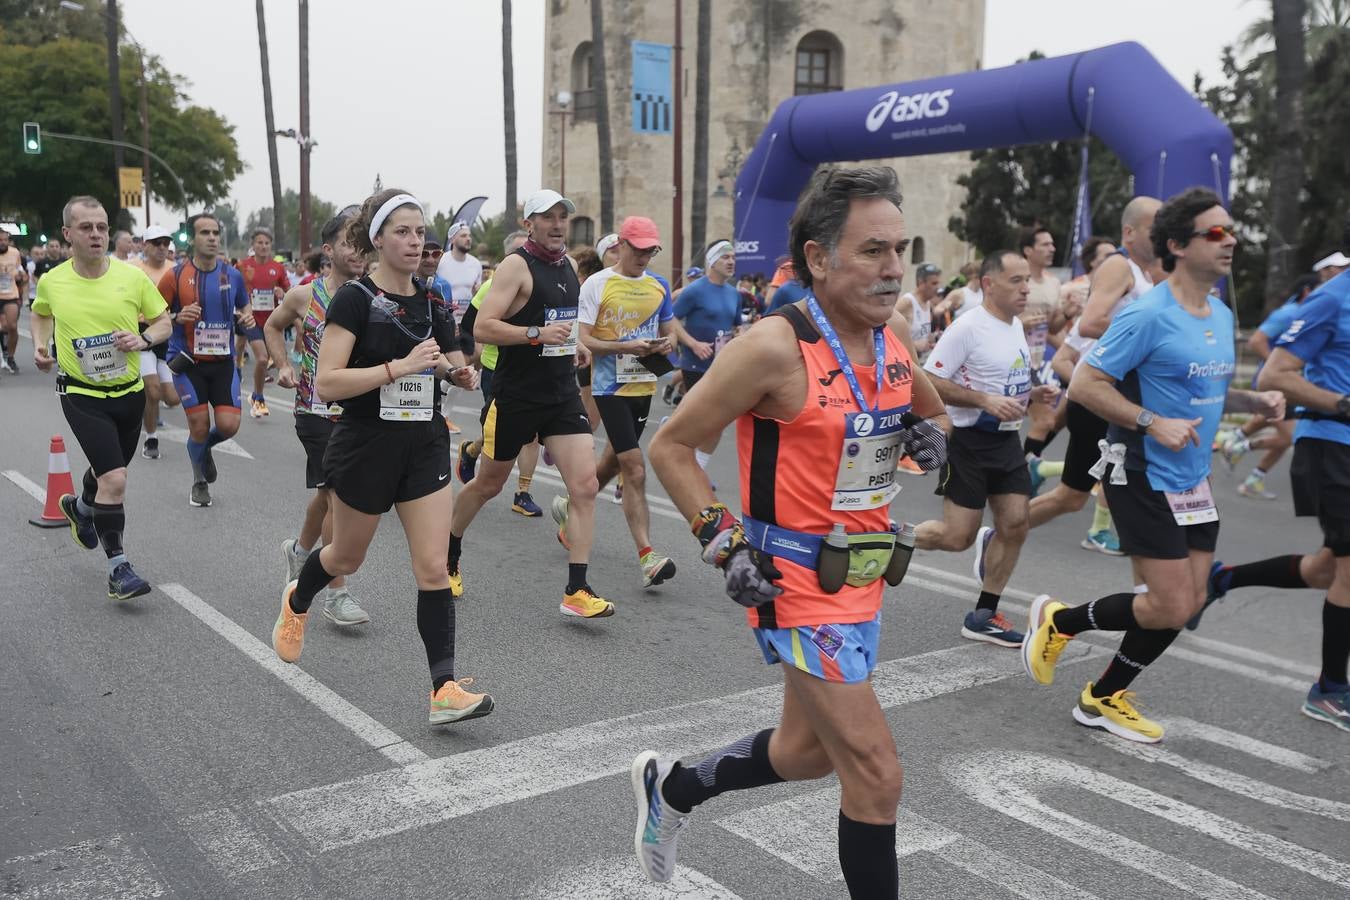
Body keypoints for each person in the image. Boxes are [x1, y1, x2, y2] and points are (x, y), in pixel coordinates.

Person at [635, 166, 949, 897]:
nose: (893, 268)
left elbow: (926, 412)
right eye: (872, 251)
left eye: (899, 249)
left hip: (863, 579)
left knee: (805, 754)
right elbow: (671, 447)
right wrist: (725, 541)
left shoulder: (891, 335)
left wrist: (931, 435)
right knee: (876, 773)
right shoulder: (775, 347)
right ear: (817, 257)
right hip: (794, 585)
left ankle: (674, 790)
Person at [1021, 187, 1284, 743]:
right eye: (1215, 232)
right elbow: (1088, 383)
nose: (1230, 239)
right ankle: (1060, 623)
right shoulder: (1146, 313)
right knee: (1168, 601)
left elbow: (1204, 392)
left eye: (1230, 230)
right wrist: (1149, 422)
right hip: (1140, 472)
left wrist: (1252, 403)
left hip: (1193, 480)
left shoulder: (1219, 310)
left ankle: (1101, 697)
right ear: (1177, 245)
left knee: (1183, 606)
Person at [269, 188, 491, 725]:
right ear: (378, 239)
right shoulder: (354, 299)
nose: (416, 242)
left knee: (434, 567)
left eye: (420, 232)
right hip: (366, 443)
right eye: (403, 232)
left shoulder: (434, 299)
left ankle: (443, 689)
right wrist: (400, 366)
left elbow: (447, 358)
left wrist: (457, 372)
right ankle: (298, 599)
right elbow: (327, 382)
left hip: (424, 442)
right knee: (345, 558)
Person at [1197, 244, 1350, 730]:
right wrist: (1341, 403)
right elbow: (1274, 372)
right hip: (1332, 447)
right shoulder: (1331, 298)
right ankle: (1329, 689)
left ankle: (1220, 579)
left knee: (1328, 569)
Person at [446, 189, 614, 619]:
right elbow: (483, 327)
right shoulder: (515, 266)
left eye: (563, 217)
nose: (558, 224)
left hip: (559, 394)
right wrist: (535, 334)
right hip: (516, 395)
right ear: (530, 224)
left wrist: (575, 344)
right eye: (548, 217)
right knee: (488, 484)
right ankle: (447, 553)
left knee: (586, 486)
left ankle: (576, 590)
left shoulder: (572, 267)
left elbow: (565, 321)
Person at [915, 250, 1059, 647]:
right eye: (1017, 281)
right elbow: (928, 380)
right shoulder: (968, 327)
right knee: (957, 537)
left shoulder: (1014, 325)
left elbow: (1005, 378)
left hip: (1006, 441)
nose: (1027, 288)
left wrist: (1033, 391)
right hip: (968, 443)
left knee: (1015, 524)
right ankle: (894, 538)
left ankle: (983, 614)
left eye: (1027, 280)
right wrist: (982, 400)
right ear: (989, 284)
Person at [31, 196, 171, 600]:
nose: (96, 235)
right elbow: (41, 312)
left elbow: (163, 322)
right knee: (116, 478)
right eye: (86, 227)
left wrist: (143, 338)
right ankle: (118, 568)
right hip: (81, 393)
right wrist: (41, 345)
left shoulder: (132, 278)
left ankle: (81, 507)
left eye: (102, 227)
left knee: (107, 473)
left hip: (129, 394)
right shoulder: (53, 281)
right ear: (67, 234)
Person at [1026, 201, 1161, 555]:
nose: (1162, 235)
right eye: (1154, 228)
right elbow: (1090, 322)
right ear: (1129, 232)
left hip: (1120, 395)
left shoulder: (1146, 273)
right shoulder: (1119, 265)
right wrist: (1157, 341)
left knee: (1073, 496)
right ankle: (1005, 532)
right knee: (1085, 491)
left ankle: (1005, 529)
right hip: (1102, 395)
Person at [265, 210, 371, 628]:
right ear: (328, 251)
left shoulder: (372, 294)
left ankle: (299, 550)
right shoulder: (303, 296)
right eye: (350, 242)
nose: (359, 251)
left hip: (360, 412)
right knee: (338, 495)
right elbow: (272, 328)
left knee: (328, 494)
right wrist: (284, 365)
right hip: (315, 410)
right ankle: (337, 593)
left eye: (364, 242)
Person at [573, 215, 679, 587]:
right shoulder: (598, 284)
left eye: (652, 249)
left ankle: (570, 515)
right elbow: (582, 338)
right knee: (634, 468)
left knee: (611, 464)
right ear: (621, 244)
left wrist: (665, 344)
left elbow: (669, 332)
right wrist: (624, 346)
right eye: (639, 248)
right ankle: (648, 555)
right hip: (609, 389)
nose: (646, 255)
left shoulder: (659, 286)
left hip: (643, 387)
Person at [157, 213, 254, 508]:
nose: (212, 238)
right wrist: (175, 316)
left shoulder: (232, 275)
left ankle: (203, 448)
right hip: (188, 362)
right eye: (205, 233)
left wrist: (247, 315)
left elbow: (244, 305)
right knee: (198, 426)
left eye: (215, 232)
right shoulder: (174, 276)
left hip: (223, 362)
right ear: (192, 239)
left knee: (228, 426)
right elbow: (149, 316)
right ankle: (199, 481)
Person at [455, 229, 546, 517]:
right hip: (498, 370)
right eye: (521, 250)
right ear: (509, 256)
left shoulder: (542, 285)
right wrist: (479, 351)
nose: (527, 255)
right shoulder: (492, 286)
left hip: (534, 371)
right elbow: (470, 325)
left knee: (530, 434)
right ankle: (472, 450)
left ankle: (523, 493)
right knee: (504, 434)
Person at [1215, 272, 1319, 498]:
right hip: (1275, 382)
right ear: (1307, 291)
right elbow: (1256, 340)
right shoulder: (1288, 313)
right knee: (1289, 436)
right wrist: (1279, 366)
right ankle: (1237, 443)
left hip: (1291, 383)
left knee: (1279, 429)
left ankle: (1250, 471)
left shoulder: (1306, 312)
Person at [671, 239, 744, 477]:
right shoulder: (695, 290)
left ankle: (697, 469)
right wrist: (693, 343)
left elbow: (736, 327)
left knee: (718, 423)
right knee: (701, 421)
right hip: (695, 364)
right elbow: (670, 320)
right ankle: (678, 452)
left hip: (722, 366)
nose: (731, 261)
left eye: (733, 257)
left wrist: (738, 342)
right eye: (725, 257)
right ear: (712, 261)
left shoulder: (734, 294)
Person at [132, 226, 180, 459]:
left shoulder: (175, 270)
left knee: (171, 398)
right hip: (142, 334)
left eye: (165, 243)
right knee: (152, 390)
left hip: (169, 335)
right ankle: (151, 439)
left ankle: (142, 408)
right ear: (145, 245)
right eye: (157, 243)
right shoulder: (132, 269)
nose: (162, 247)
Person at [238, 228, 292, 418]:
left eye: (267, 243)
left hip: (272, 322)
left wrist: (281, 293)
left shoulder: (277, 268)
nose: (263, 246)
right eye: (259, 242)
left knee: (265, 362)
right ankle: (259, 397)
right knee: (261, 359)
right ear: (253, 245)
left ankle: (255, 394)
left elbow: (289, 291)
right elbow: (235, 290)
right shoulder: (243, 266)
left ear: (271, 246)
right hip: (251, 319)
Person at [0, 226, 28, 373]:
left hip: (11, 294)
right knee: (3, 326)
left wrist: (21, 277)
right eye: (0, 240)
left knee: (11, 327)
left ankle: (10, 357)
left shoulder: (15, 253)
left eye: (5, 240)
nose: (3, 243)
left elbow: (21, 271)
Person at [900, 262, 940, 357]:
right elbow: (885, 334)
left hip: (921, 360)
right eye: (934, 283)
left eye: (938, 283)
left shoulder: (928, 303)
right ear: (921, 283)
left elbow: (923, 334)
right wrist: (914, 345)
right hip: (905, 361)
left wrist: (931, 341)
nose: (938, 287)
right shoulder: (907, 302)